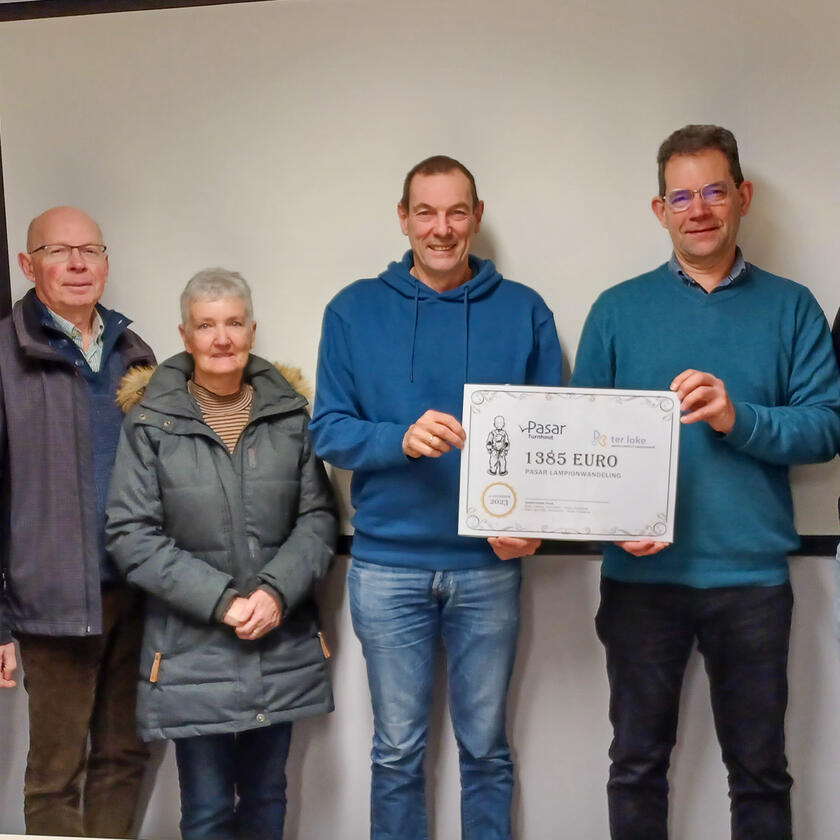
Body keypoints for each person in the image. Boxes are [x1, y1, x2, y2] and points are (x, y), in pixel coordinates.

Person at [571, 125, 840, 840]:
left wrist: (735, 417)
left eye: (714, 191)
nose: (699, 210)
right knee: (636, 767)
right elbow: (576, 443)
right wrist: (609, 523)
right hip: (640, 583)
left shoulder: (793, 307)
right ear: (659, 210)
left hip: (751, 583)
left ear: (742, 196)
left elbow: (825, 428)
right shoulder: (616, 310)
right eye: (682, 197)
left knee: (760, 774)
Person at [309, 155, 563, 840]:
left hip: (488, 566)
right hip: (386, 567)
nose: (442, 228)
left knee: (487, 750)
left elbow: (555, 437)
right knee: (396, 753)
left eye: (456, 212)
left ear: (476, 217)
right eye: (426, 212)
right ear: (404, 219)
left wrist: (536, 524)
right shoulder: (353, 310)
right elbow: (328, 429)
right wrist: (399, 438)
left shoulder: (525, 310)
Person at [106, 268, 337, 840]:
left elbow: (318, 519)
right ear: (185, 335)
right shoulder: (150, 422)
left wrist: (275, 593)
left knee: (266, 797)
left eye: (234, 323)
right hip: (193, 652)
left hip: (279, 642)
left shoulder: (290, 415)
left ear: (252, 330)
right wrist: (223, 602)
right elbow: (131, 534)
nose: (222, 338)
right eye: (207, 325)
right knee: (207, 810)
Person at [0, 206, 155, 837]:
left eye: (90, 250)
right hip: (52, 602)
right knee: (55, 775)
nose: (77, 264)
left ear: (106, 262)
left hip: (134, 593)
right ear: (27, 264)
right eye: (58, 251)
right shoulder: (4, 356)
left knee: (124, 757)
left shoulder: (135, 354)